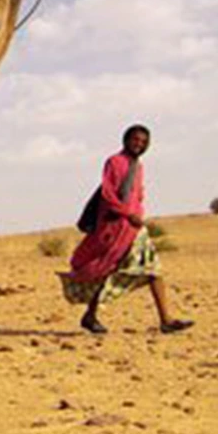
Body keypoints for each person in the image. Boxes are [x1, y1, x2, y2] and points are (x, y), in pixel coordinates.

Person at [60, 125, 193, 335]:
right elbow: (108, 194)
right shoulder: (114, 162)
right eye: (135, 140)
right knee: (107, 270)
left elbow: (137, 195)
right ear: (126, 140)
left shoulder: (138, 167)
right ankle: (91, 315)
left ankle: (166, 319)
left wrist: (138, 213)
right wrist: (126, 213)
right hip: (115, 227)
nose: (138, 144)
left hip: (133, 229)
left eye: (143, 142)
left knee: (153, 269)